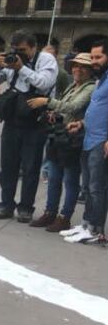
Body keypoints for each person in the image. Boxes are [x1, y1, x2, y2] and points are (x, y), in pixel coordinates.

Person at [0, 30, 59, 223]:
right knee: (8, 165)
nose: (19, 54)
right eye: (16, 50)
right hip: (12, 120)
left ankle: (26, 207)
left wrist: (21, 68)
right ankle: (6, 204)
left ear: (34, 47)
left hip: (34, 122)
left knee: (31, 167)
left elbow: (44, 83)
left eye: (24, 50)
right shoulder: (11, 60)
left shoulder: (46, 60)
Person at [25, 52, 96, 232]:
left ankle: (64, 217)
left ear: (90, 70)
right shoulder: (73, 85)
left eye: (82, 66)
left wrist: (47, 102)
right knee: (55, 177)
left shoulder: (90, 88)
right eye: (75, 65)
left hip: (73, 137)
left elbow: (74, 107)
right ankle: (50, 212)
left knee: (70, 180)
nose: (77, 69)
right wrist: (54, 114)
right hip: (59, 135)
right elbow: (66, 108)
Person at [60, 40, 108, 244]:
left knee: (97, 187)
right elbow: (97, 110)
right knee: (87, 186)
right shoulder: (101, 79)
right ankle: (87, 223)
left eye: (99, 57)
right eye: (93, 57)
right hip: (89, 138)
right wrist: (81, 123)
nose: (94, 61)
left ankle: (96, 229)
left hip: (101, 141)